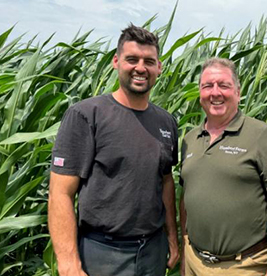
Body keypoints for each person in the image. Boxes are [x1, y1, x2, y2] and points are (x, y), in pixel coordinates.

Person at [48, 25, 179, 276]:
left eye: (149, 61)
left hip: (152, 250)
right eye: (132, 59)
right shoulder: (86, 115)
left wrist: (171, 238)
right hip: (101, 251)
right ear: (116, 62)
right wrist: (68, 264)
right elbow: (60, 193)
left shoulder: (166, 122)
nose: (141, 68)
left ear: (159, 68)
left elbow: (165, 181)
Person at [179, 58, 267, 276]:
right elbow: (186, 200)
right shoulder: (190, 139)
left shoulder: (261, 135)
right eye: (208, 86)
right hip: (195, 261)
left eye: (223, 85)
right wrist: (186, 255)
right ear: (200, 93)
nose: (215, 93)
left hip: (244, 267)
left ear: (238, 92)